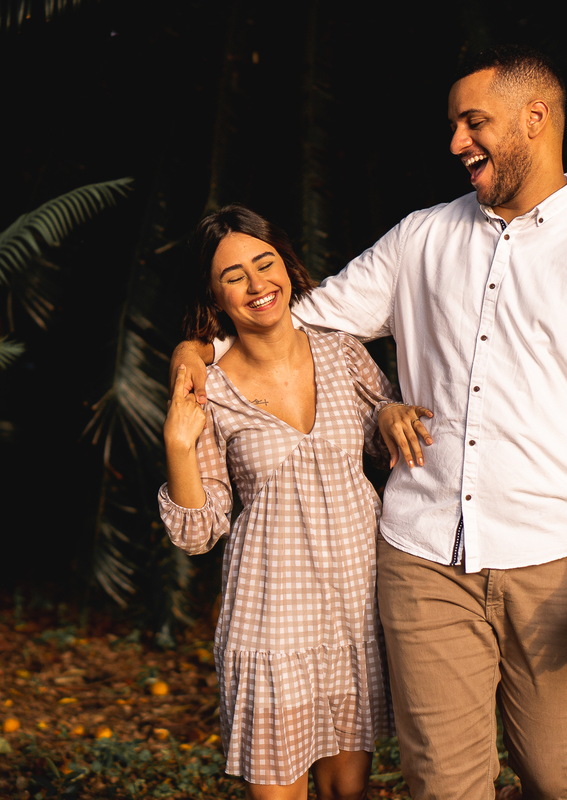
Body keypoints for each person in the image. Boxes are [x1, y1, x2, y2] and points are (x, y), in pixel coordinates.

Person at [171, 46, 567, 800]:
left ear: (535, 119)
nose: (456, 142)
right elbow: (299, 319)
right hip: (424, 555)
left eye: (474, 123)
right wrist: (200, 347)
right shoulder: (421, 238)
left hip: (555, 559)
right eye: (453, 125)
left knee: (560, 777)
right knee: (443, 785)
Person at [159, 205, 431, 800]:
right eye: (234, 276)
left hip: (353, 611)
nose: (257, 284)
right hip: (271, 623)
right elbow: (199, 531)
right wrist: (179, 445)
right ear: (214, 295)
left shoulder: (339, 350)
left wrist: (390, 412)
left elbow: (381, 428)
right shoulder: (211, 389)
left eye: (265, 264)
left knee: (345, 793)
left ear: (287, 265)